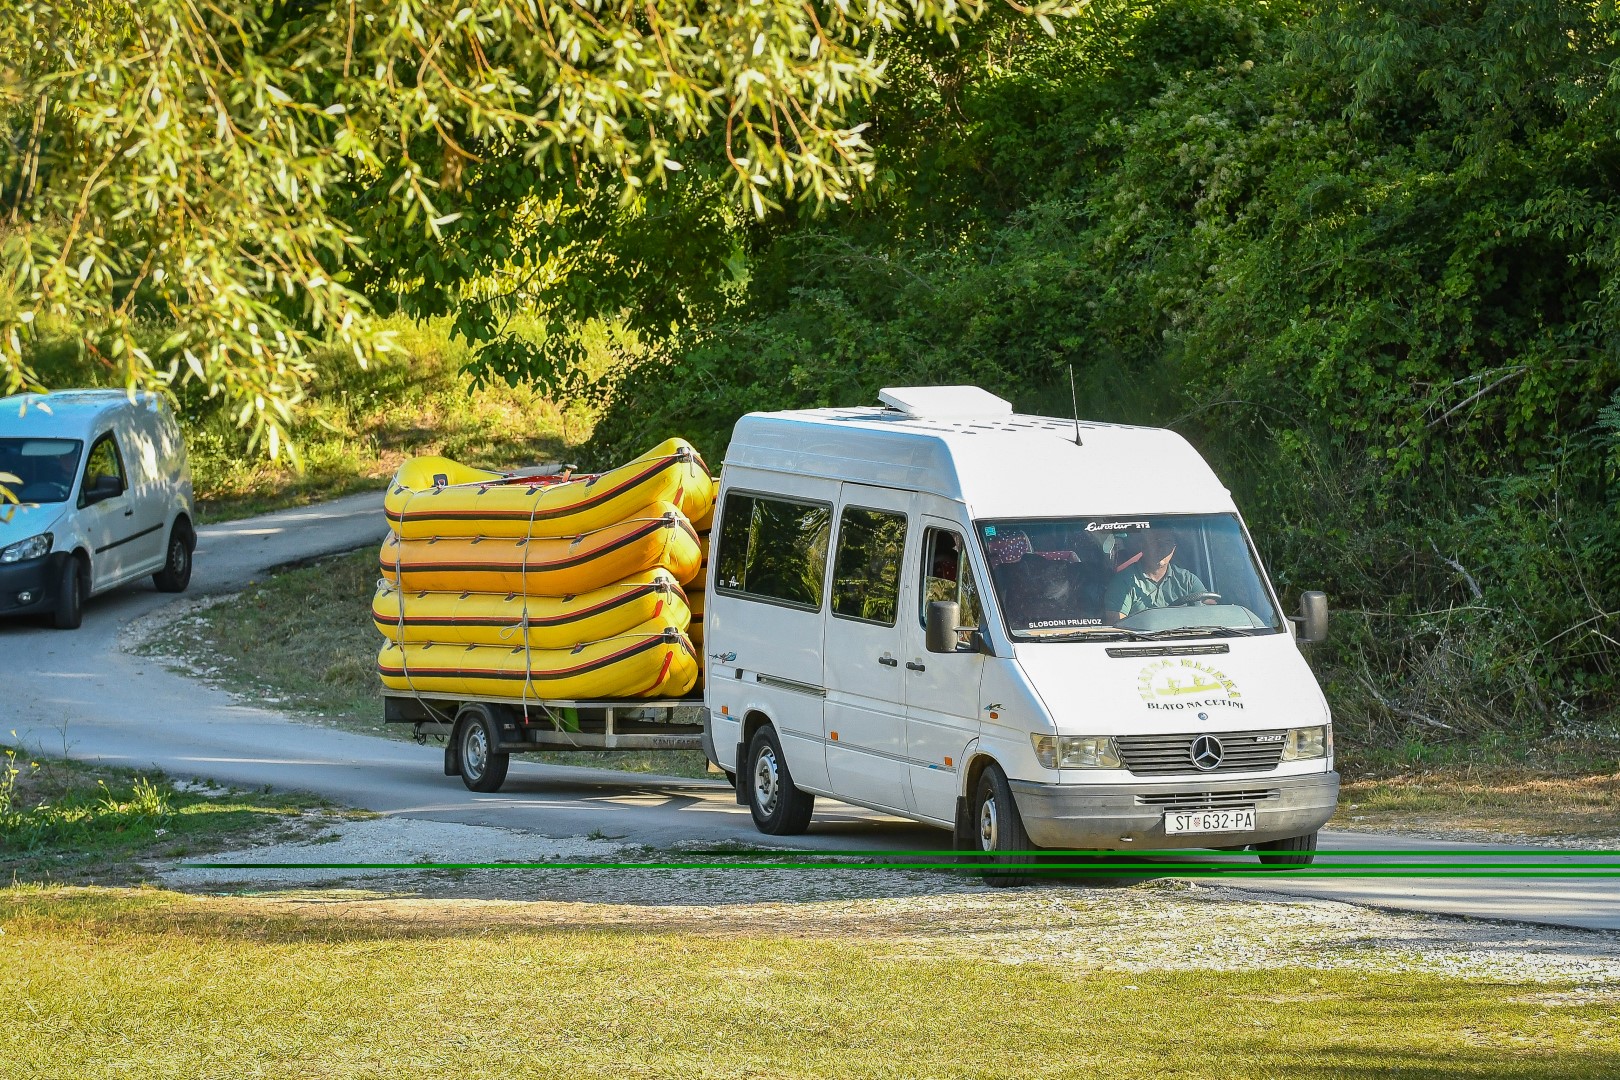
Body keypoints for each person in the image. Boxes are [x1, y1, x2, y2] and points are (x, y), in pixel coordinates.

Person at [1102, 530, 1213, 623]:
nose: (1161, 548)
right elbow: (1118, 629)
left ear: (1173, 548)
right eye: (1155, 542)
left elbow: (1212, 616)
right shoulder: (1124, 581)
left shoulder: (1188, 580)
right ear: (1143, 545)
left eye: (1167, 542)